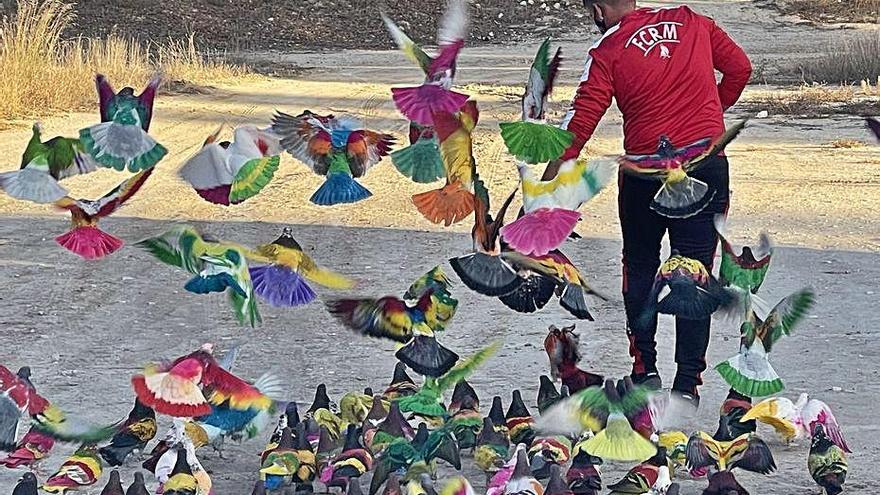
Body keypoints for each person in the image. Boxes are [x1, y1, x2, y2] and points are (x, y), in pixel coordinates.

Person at [545, 0, 752, 407]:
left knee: (640, 264)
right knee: (694, 269)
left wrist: (545, 185)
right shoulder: (693, 21)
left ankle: (645, 371)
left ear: (599, 8)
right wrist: (710, 114)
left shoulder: (608, 49)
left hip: (644, 175)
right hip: (704, 165)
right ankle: (687, 385)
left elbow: (579, 124)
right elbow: (740, 69)